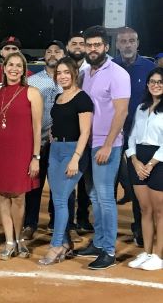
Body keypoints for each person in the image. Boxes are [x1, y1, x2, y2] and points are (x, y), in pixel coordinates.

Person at [74, 25, 130, 270]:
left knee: (106, 197)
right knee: (94, 195)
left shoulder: (118, 73)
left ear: (106, 47)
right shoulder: (85, 73)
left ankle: (108, 250)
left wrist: (108, 145)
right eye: (89, 45)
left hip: (106, 145)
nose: (93, 49)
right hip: (87, 143)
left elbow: (122, 111)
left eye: (97, 45)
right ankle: (98, 242)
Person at [0, 51, 43, 260]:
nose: (14, 69)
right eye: (11, 65)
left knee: (19, 197)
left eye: (19, 65)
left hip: (22, 152)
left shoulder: (32, 92)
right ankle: (9, 241)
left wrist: (35, 157)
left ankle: (19, 240)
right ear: (4, 67)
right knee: (2, 196)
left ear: (24, 70)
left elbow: (37, 128)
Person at [39, 57, 93, 265]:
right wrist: (53, 138)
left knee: (61, 200)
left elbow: (85, 131)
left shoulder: (82, 98)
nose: (62, 76)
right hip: (56, 150)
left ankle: (56, 246)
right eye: (59, 73)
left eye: (66, 72)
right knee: (57, 199)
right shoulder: (59, 97)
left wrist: (75, 159)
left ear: (74, 73)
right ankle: (66, 243)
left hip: (73, 152)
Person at [0, 36, 34, 230]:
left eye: (14, 48)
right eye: (7, 48)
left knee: (19, 187)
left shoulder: (27, 76)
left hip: (19, 140)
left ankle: (19, 227)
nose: (10, 50)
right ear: (2, 54)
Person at [114, 27, 156, 248]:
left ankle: (140, 228)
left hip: (140, 137)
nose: (128, 45)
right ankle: (107, 230)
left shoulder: (149, 68)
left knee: (140, 182)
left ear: (137, 43)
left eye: (131, 40)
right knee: (108, 183)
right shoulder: (110, 66)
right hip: (113, 133)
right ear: (117, 44)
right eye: (123, 41)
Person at [22, 40, 66, 242]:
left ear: (64, 54)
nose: (52, 54)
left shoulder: (69, 81)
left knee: (60, 186)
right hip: (38, 140)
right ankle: (30, 223)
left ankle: (58, 223)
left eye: (57, 51)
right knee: (35, 184)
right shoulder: (33, 81)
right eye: (48, 51)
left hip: (61, 141)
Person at [126, 67, 163, 271]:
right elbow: (131, 137)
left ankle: (159, 255)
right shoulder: (140, 108)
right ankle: (147, 252)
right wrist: (135, 160)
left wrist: (149, 164)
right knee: (144, 210)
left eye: (160, 82)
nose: (156, 85)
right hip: (138, 160)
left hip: (159, 162)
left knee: (160, 211)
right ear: (147, 85)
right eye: (152, 81)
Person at [66, 32, 94, 234]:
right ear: (68, 47)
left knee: (85, 181)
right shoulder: (64, 69)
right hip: (67, 134)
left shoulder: (92, 69)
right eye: (73, 43)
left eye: (81, 43)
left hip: (87, 133)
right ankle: (67, 223)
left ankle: (83, 217)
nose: (78, 46)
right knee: (67, 182)